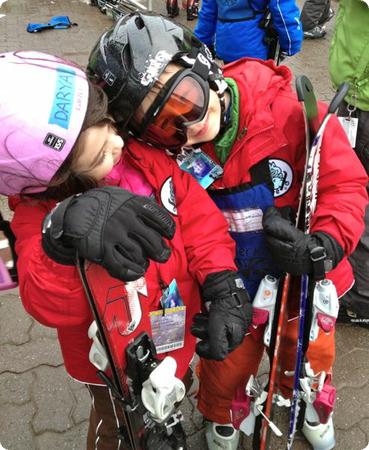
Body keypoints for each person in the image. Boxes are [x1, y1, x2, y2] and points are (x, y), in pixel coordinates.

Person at [87, 12, 368, 450]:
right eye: (164, 125)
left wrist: (327, 245)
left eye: (185, 100)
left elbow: (344, 183)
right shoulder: (173, 159)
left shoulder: (288, 109)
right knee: (226, 362)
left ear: (203, 65)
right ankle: (223, 416)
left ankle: (308, 400)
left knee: (308, 350)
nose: (188, 126)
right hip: (231, 286)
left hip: (304, 274)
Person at [1, 50, 252, 449]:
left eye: (109, 127)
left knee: (173, 393)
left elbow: (200, 221)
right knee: (116, 425)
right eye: (99, 155)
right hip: (111, 368)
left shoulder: (145, 158)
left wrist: (222, 281)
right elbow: (43, 299)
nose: (118, 144)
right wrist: (63, 238)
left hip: (174, 333)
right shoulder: (37, 217)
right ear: (57, 181)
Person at [329, 0, 369, 325]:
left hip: (363, 101)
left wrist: (355, 80)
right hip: (358, 97)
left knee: (354, 198)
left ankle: (360, 299)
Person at [193, 0, 303, 63]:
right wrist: (291, 44)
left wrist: (202, 44)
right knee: (255, 96)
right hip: (256, 51)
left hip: (226, 47)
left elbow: (207, 14)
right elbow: (283, 10)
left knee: (232, 92)